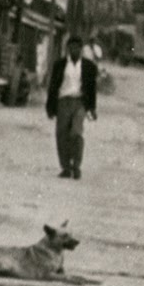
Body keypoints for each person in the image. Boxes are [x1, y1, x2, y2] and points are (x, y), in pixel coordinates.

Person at [46, 34, 98, 180]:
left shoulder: (88, 66)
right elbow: (53, 87)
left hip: (79, 102)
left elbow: (92, 88)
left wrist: (92, 108)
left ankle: (76, 165)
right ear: (68, 49)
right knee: (61, 134)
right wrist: (50, 107)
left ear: (81, 49)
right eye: (71, 47)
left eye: (77, 48)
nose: (74, 50)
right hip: (63, 101)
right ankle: (66, 167)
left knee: (76, 132)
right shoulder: (60, 65)